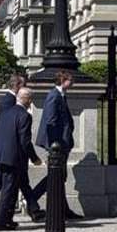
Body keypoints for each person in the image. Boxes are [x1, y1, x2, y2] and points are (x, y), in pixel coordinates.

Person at [0, 74, 45, 223]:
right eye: (23, 85)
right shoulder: (10, 101)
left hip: (7, 151)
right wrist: (32, 157)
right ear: (18, 86)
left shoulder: (9, 101)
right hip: (12, 152)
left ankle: (33, 209)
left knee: (19, 181)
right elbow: (4, 129)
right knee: (4, 185)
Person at [32, 70, 84, 220]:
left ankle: (63, 209)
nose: (72, 83)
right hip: (58, 144)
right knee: (56, 176)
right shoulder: (54, 95)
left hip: (61, 143)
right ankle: (31, 198)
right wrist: (55, 146)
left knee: (59, 177)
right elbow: (50, 121)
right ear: (62, 80)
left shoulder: (60, 95)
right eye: (70, 80)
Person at [0, 88, 41, 230]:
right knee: (8, 191)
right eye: (30, 99)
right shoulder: (25, 116)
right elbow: (25, 141)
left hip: (1, 155)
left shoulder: (5, 113)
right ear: (26, 99)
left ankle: (8, 219)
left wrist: (3, 144)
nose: (31, 102)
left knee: (12, 189)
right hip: (14, 158)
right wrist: (34, 158)